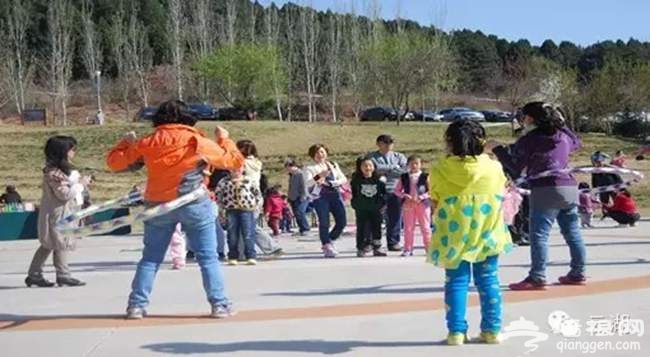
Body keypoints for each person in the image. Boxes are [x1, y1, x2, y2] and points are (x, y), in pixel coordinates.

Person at [106, 99, 244, 319]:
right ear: (187, 117)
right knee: (208, 258)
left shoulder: (148, 141)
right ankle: (219, 304)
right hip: (194, 204)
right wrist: (224, 139)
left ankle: (136, 306)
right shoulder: (196, 140)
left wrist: (125, 143)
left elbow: (115, 163)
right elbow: (234, 162)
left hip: (158, 206)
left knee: (150, 259)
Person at [428, 120, 512, 345]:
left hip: (453, 233)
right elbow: (502, 192)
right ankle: (492, 330)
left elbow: (434, 200)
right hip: (488, 231)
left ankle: (456, 332)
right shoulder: (494, 167)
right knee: (488, 280)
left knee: (456, 281)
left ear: (450, 142)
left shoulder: (441, 169)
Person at [487, 101, 587, 290]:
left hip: (544, 188)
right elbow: (577, 142)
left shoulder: (530, 139)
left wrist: (497, 149)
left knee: (539, 235)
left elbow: (516, 168)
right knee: (573, 233)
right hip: (568, 187)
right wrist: (563, 123)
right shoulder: (563, 136)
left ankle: (537, 276)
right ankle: (578, 272)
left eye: (524, 116)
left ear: (531, 118)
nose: (522, 120)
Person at [25, 136, 90, 288]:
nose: (74, 152)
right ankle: (63, 275)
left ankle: (35, 274)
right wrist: (80, 184)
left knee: (50, 244)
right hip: (59, 213)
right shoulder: (53, 173)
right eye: (71, 149)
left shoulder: (61, 171)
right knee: (60, 242)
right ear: (62, 152)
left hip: (65, 211)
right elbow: (64, 194)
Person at [304, 144, 347, 258]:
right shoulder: (309, 168)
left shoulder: (333, 165)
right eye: (317, 153)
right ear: (313, 155)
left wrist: (333, 183)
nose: (320, 155)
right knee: (324, 222)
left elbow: (343, 178)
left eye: (322, 152)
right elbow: (308, 183)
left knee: (342, 221)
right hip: (320, 197)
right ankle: (326, 244)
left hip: (335, 194)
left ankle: (330, 239)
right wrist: (319, 176)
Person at [369, 134, 407, 251]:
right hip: (377, 190)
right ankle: (372, 241)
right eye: (385, 143)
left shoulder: (399, 156)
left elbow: (405, 170)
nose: (388, 145)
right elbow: (372, 170)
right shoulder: (371, 157)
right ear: (379, 144)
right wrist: (393, 168)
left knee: (395, 217)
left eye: (390, 143)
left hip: (395, 189)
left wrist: (385, 170)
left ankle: (393, 241)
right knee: (375, 217)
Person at [216, 168, 262, 265]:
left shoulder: (248, 180)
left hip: (247, 209)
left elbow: (257, 193)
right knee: (232, 234)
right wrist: (220, 209)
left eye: (238, 169)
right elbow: (218, 195)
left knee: (248, 233)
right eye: (233, 169)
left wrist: (257, 206)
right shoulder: (224, 181)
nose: (236, 171)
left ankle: (251, 256)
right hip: (231, 209)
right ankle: (233, 256)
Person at [393, 155, 431, 256]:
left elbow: (432, 190)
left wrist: (421, 197)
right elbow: (396, 190)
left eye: (416, 163)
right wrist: (404, 195)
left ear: (420, 164)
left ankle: (429, 248)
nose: (414, 166)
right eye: (411, 163)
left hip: (422, 205)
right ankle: (408, 249)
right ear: (408, 164)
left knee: (425, 227)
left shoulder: (425, 176)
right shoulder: (404, 177)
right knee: (408, 228)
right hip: (408, 205)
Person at [350, 156, 387, 257]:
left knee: (377, 228)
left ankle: (377, 247)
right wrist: (355, 204)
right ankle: (361, 247)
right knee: (361, 228)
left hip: (376, 208)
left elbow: (384, 194)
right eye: (365, 166)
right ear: (360, 167)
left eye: (370, 165)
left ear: (374, 166)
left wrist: (383, 204)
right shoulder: (356, 180)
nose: (368, 168)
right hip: (362, 209)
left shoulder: (379, 180)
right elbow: (354, 194)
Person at [285, 158, 311, 236]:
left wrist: (303, 196)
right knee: (296, 214)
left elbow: (303, 186)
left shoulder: (300, 174)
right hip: (293, 198)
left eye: (287, 167)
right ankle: (301, 229)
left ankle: (306, 228)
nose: (287, 169)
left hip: (301, 197)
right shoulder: (291, 175)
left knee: (300, 212)